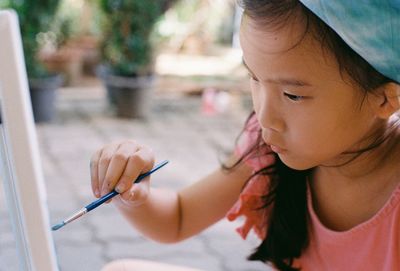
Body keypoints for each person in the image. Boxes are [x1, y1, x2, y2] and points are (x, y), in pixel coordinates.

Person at [94, 1, 400, 270]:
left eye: (292, 95)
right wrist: (134, 195)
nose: (265, 117)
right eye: (254, 77)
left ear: (386, 99)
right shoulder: (265, 146)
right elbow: (179, 217)